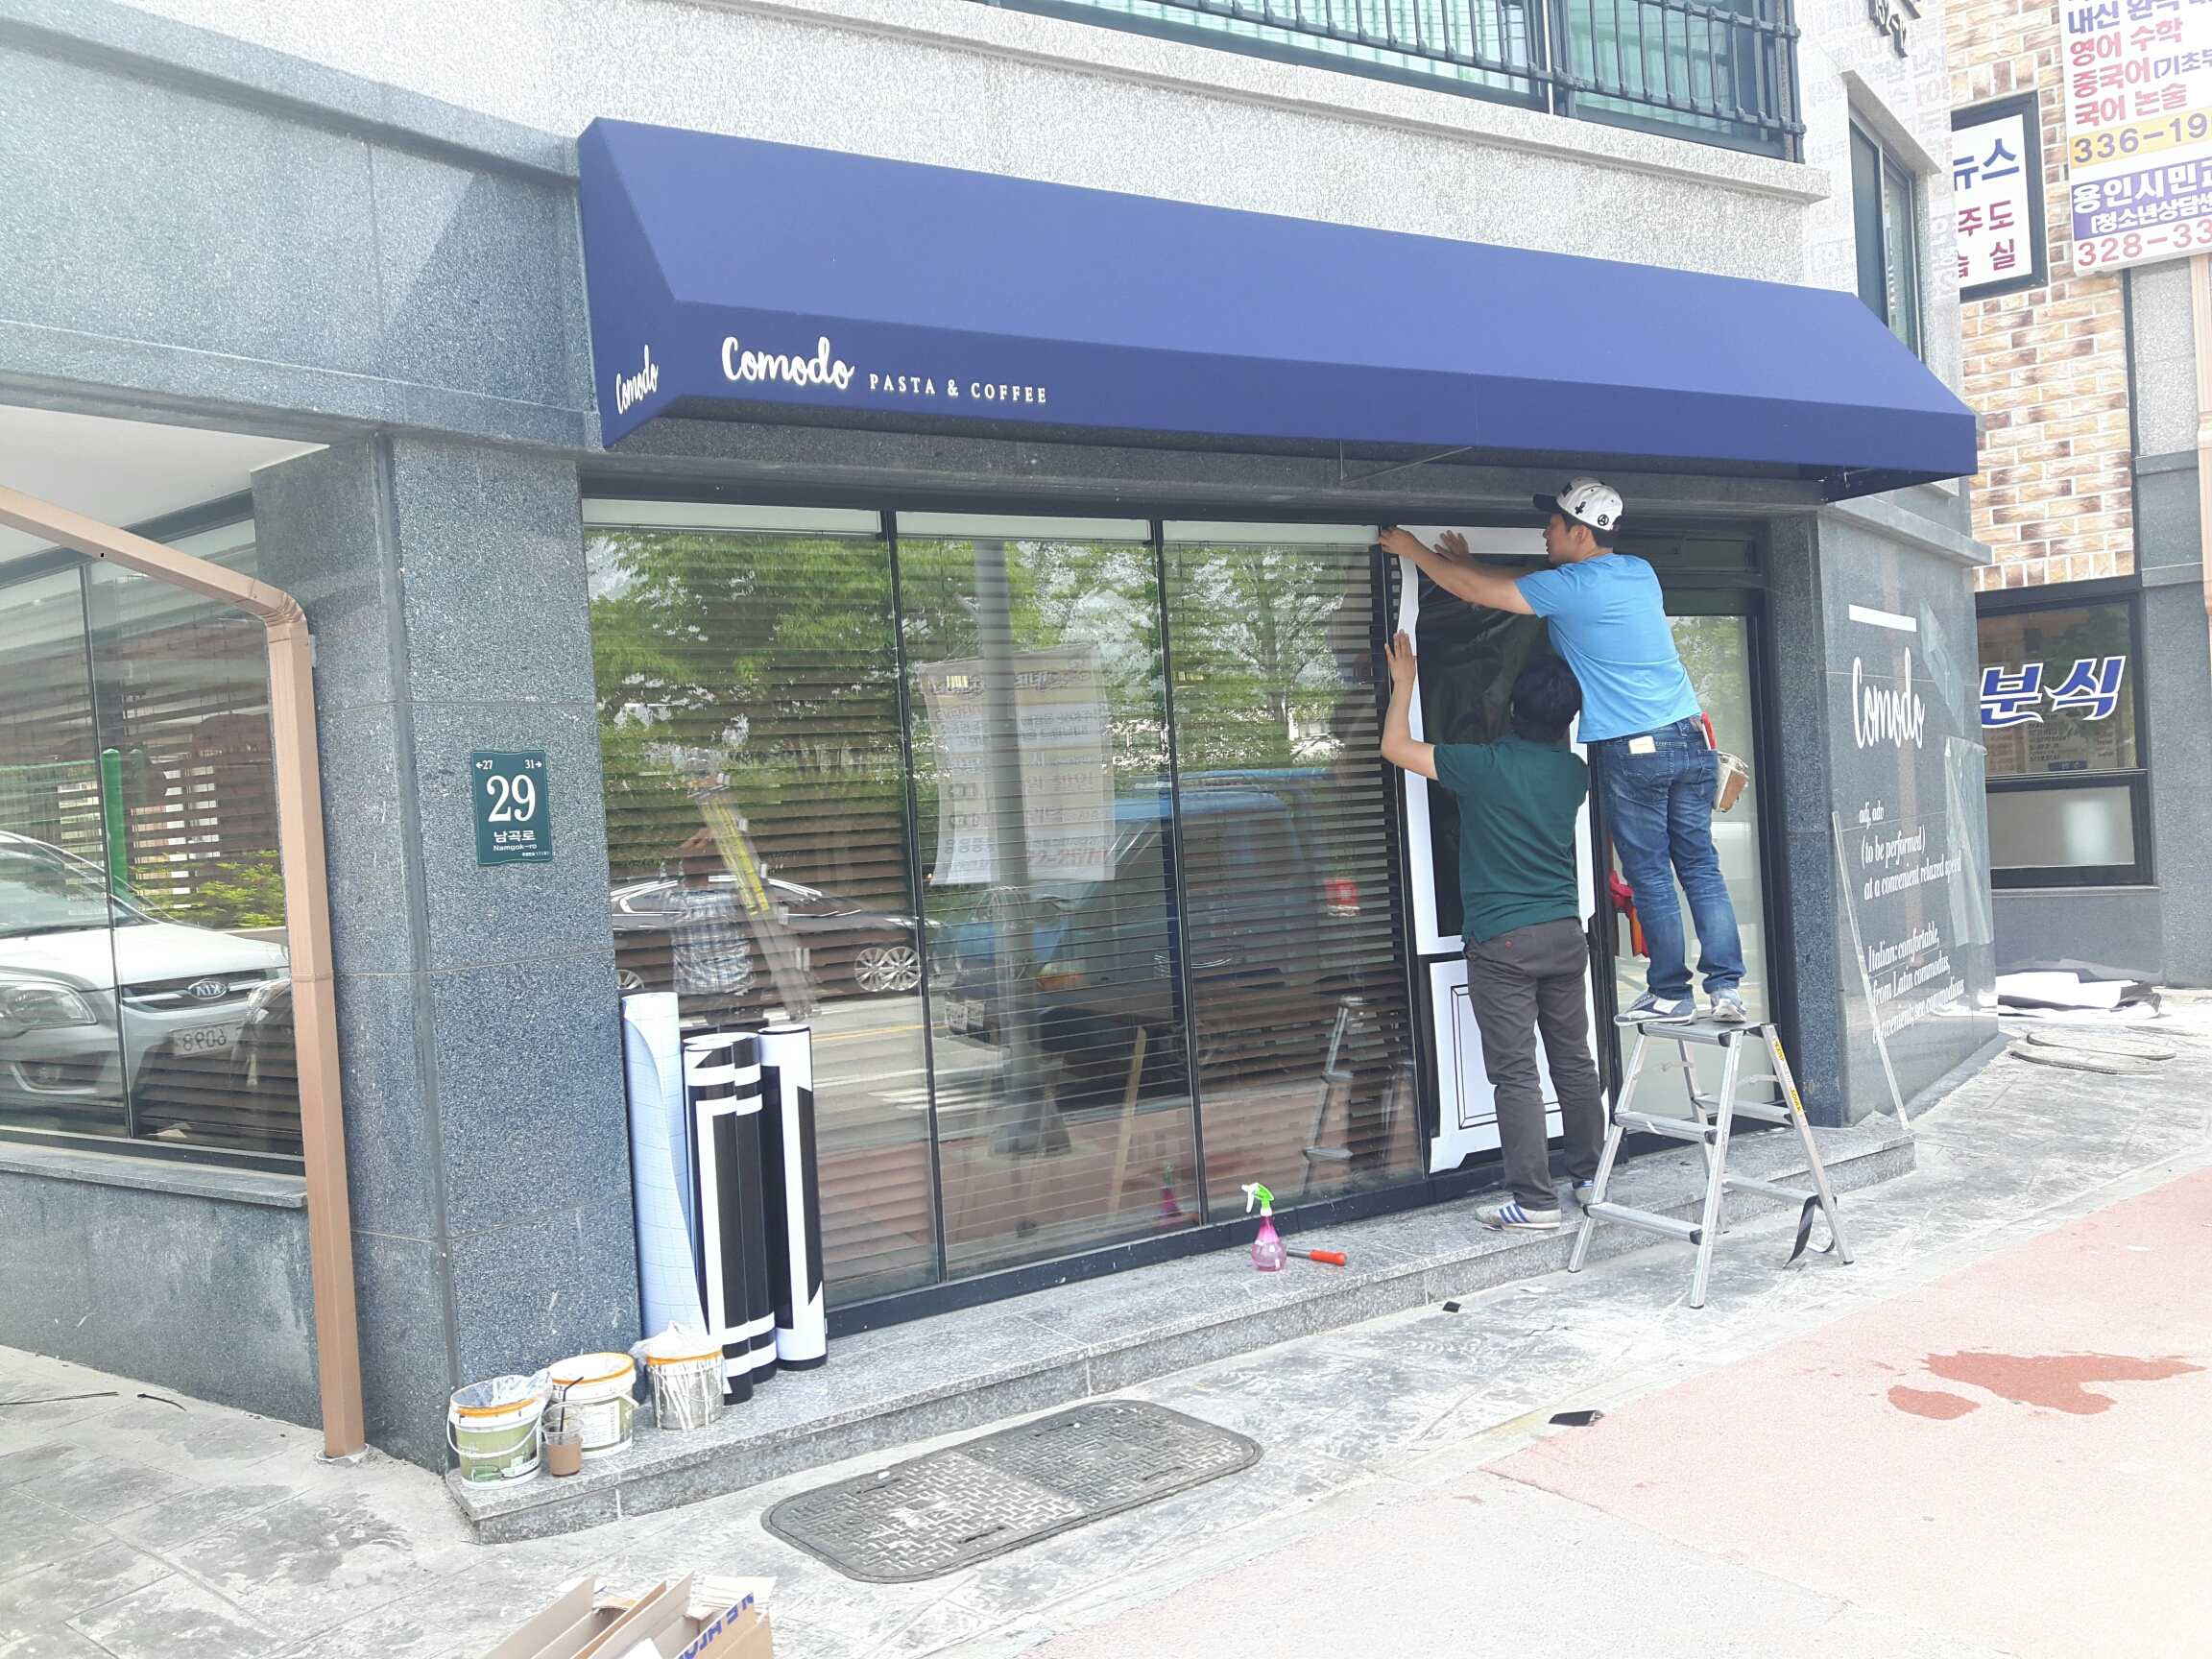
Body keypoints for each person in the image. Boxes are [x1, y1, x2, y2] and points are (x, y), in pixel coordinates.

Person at [1379, 479, 1745, 1025]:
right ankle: (1726, 988)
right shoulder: (1637, 572)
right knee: (1698, 864)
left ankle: (1671, 993)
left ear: (1579, 532)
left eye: (1552, 524)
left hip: (1635, 748)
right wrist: (1469, 564)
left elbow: (1486, 593)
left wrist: (1413, 551)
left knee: (1650, 871)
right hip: (1690, 738)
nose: (1544, 532)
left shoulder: (1573, 587)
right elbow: (1522, 585)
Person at [1381, 631, 1603, 1232]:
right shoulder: (1573, 775)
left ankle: (1535, 1202)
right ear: (1568, 720)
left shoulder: (1484, 766)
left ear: (1511, 711)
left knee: (1516, 1073)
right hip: (1564, 934)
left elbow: (1396, 747)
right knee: (1574, 1062)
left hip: (1504, 942)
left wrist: (1405, 683)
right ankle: (1590, 1179)